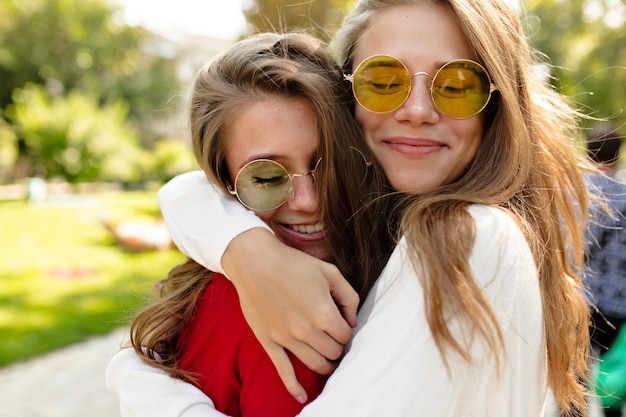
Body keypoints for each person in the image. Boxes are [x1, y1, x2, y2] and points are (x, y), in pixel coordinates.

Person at [107, 1, 595, 416]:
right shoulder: (384, 239)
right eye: (383, 81)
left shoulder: (465, 238)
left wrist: (137, 382)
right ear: (344, 101)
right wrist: (245, 247)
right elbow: (199, 187)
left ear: (498, 103)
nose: (418, 110)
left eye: (457, 84)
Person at [108, 31, 393, 417]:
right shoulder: (288, 319)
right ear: (222, 183)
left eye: (329, 164)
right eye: (267, 178)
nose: (307, 201)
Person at [584, 123, 626, 417]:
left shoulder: (577, 192)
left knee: (573, 377)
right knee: (613, 377)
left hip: (581, 298)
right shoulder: (624, 193)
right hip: (619, 303)